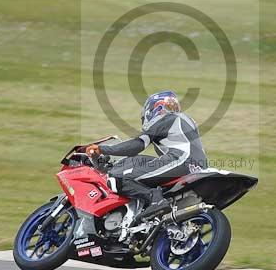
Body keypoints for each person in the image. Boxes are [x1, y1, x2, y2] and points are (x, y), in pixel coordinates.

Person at [85, 90, 208, 225]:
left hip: (181, 161)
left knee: (116, 177)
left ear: (154, 109)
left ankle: (155, 199)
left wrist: (102, 148)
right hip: (200, 167)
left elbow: (137, 145)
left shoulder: (166, 119)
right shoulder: (186, 123)